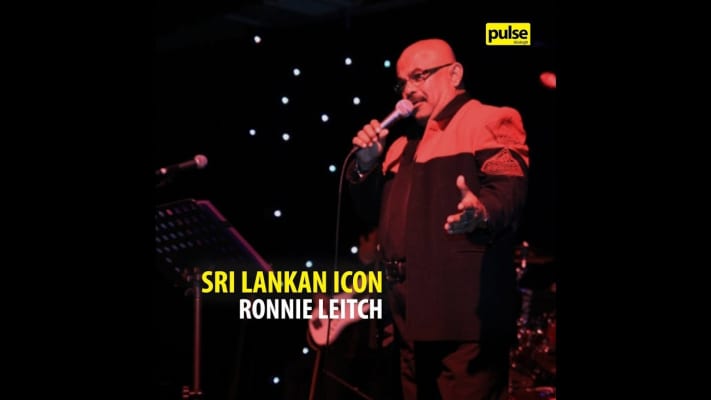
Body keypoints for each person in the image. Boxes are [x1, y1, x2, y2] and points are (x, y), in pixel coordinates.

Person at [347, 38, 530, 400]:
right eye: (403, 82)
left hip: (463, 319)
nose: (409, 90)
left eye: (419, 76)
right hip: (405, 318)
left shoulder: (488, 119)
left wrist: (481, 211)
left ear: (455, 74)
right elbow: (370, 214)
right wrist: (365, 166)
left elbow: (508, 192)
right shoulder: (398, 146)